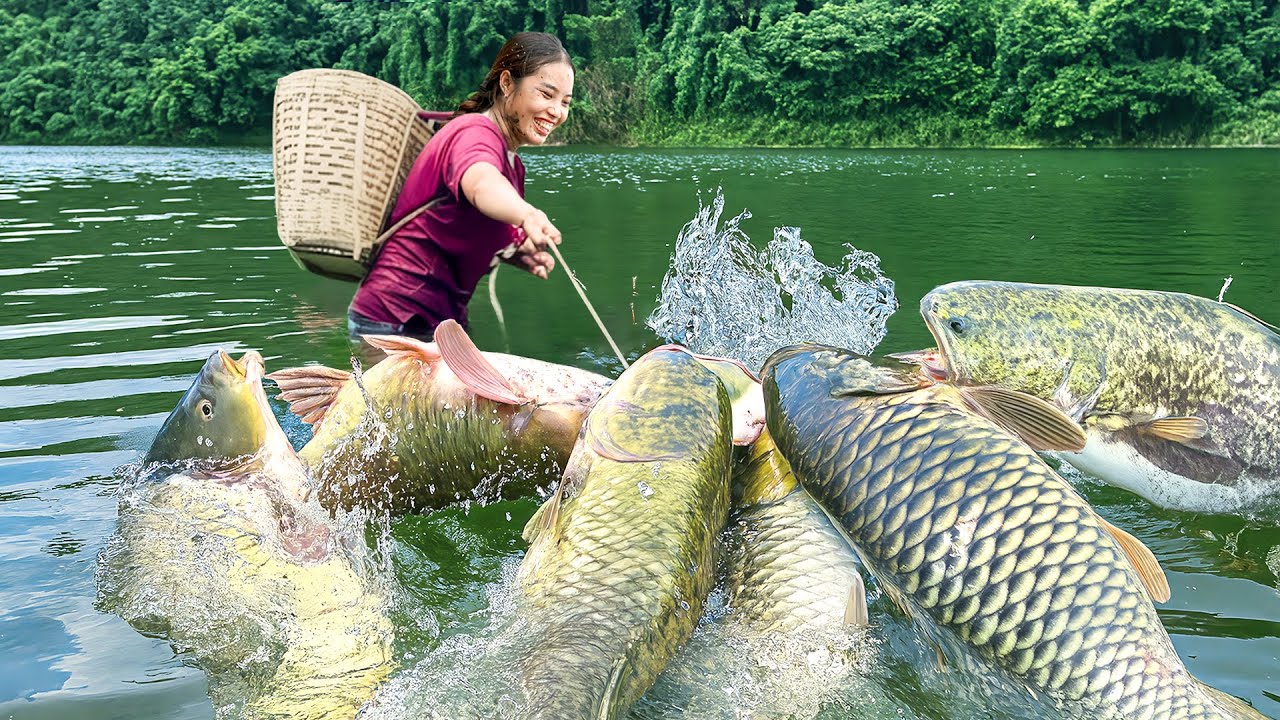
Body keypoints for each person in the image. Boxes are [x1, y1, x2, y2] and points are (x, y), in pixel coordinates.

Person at [348, 31, 573, 344]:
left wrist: (513, 251)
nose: (556, 112)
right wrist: (527, 214)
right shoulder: (474, 133)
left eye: (565, 102)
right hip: (394, 320)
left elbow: (463, 225)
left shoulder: (512, 165)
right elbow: (481, 183)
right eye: (546, 95)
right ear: (507, 84)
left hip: (439, 324)